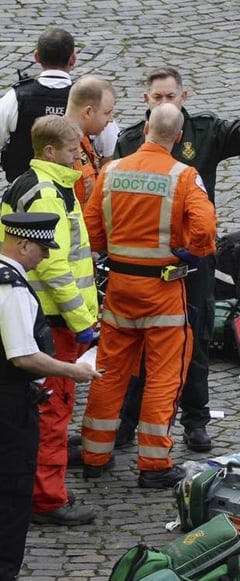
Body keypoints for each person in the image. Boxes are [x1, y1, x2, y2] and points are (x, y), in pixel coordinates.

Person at [113, 66, 240, 452]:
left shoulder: (203, 132)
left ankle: (195, 420)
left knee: (197, 335)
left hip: (193, 259)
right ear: (145, 101)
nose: (164, 103)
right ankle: (126, 420)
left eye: (170, 96)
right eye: (157, 97)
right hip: (149, 259)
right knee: (139, 342)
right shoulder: (129, 142)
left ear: (183, 97)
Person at [79, 103, 217, 489]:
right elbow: (205, 227)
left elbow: (91, 230)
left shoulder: (111, 171)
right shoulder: (184, 176)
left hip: (120, 289)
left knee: (109, 372)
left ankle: (94, 454)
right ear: (177, 137)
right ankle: (154, 464)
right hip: (162, 291)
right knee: (162, 376)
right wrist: (195, 249)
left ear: (143, 130)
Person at [0, 115, 98, 526]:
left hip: (50, 314)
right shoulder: (47, 193)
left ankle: (44, 488)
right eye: (74, 152)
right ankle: (47, 498)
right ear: (51, 151)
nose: (80, 160)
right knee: (53, 409)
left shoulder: (43, 184)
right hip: (54, 319)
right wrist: (83, 322)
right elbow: (55, 266)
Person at [0, 212, 100, 581]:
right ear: (23, 244)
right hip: (10, 405)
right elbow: (23, 355)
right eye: (42, 248)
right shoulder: (11, 289)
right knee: (12, 492)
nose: (45, 256)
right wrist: (73, 370)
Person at [0, 28, 119, 184]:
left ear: (36, 56)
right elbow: (111, 150)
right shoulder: (88, 99)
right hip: (76, 195)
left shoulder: (15, 98)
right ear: (73, 59)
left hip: (22, 193)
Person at [64, 75, 116, 206]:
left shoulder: (82, 141)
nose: (110, 119)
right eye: (107, 113)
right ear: (88, 112)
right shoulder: (63, 151)